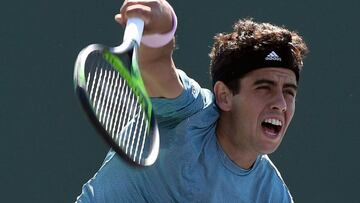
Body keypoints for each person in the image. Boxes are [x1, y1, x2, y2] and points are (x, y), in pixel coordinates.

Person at [76, 0, 308, 202]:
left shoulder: (272, 195)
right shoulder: (190, 111)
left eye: (289, 91)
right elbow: (156, 66)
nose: (281, 103)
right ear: (224, 96)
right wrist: (161, 31)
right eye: (264, 88)